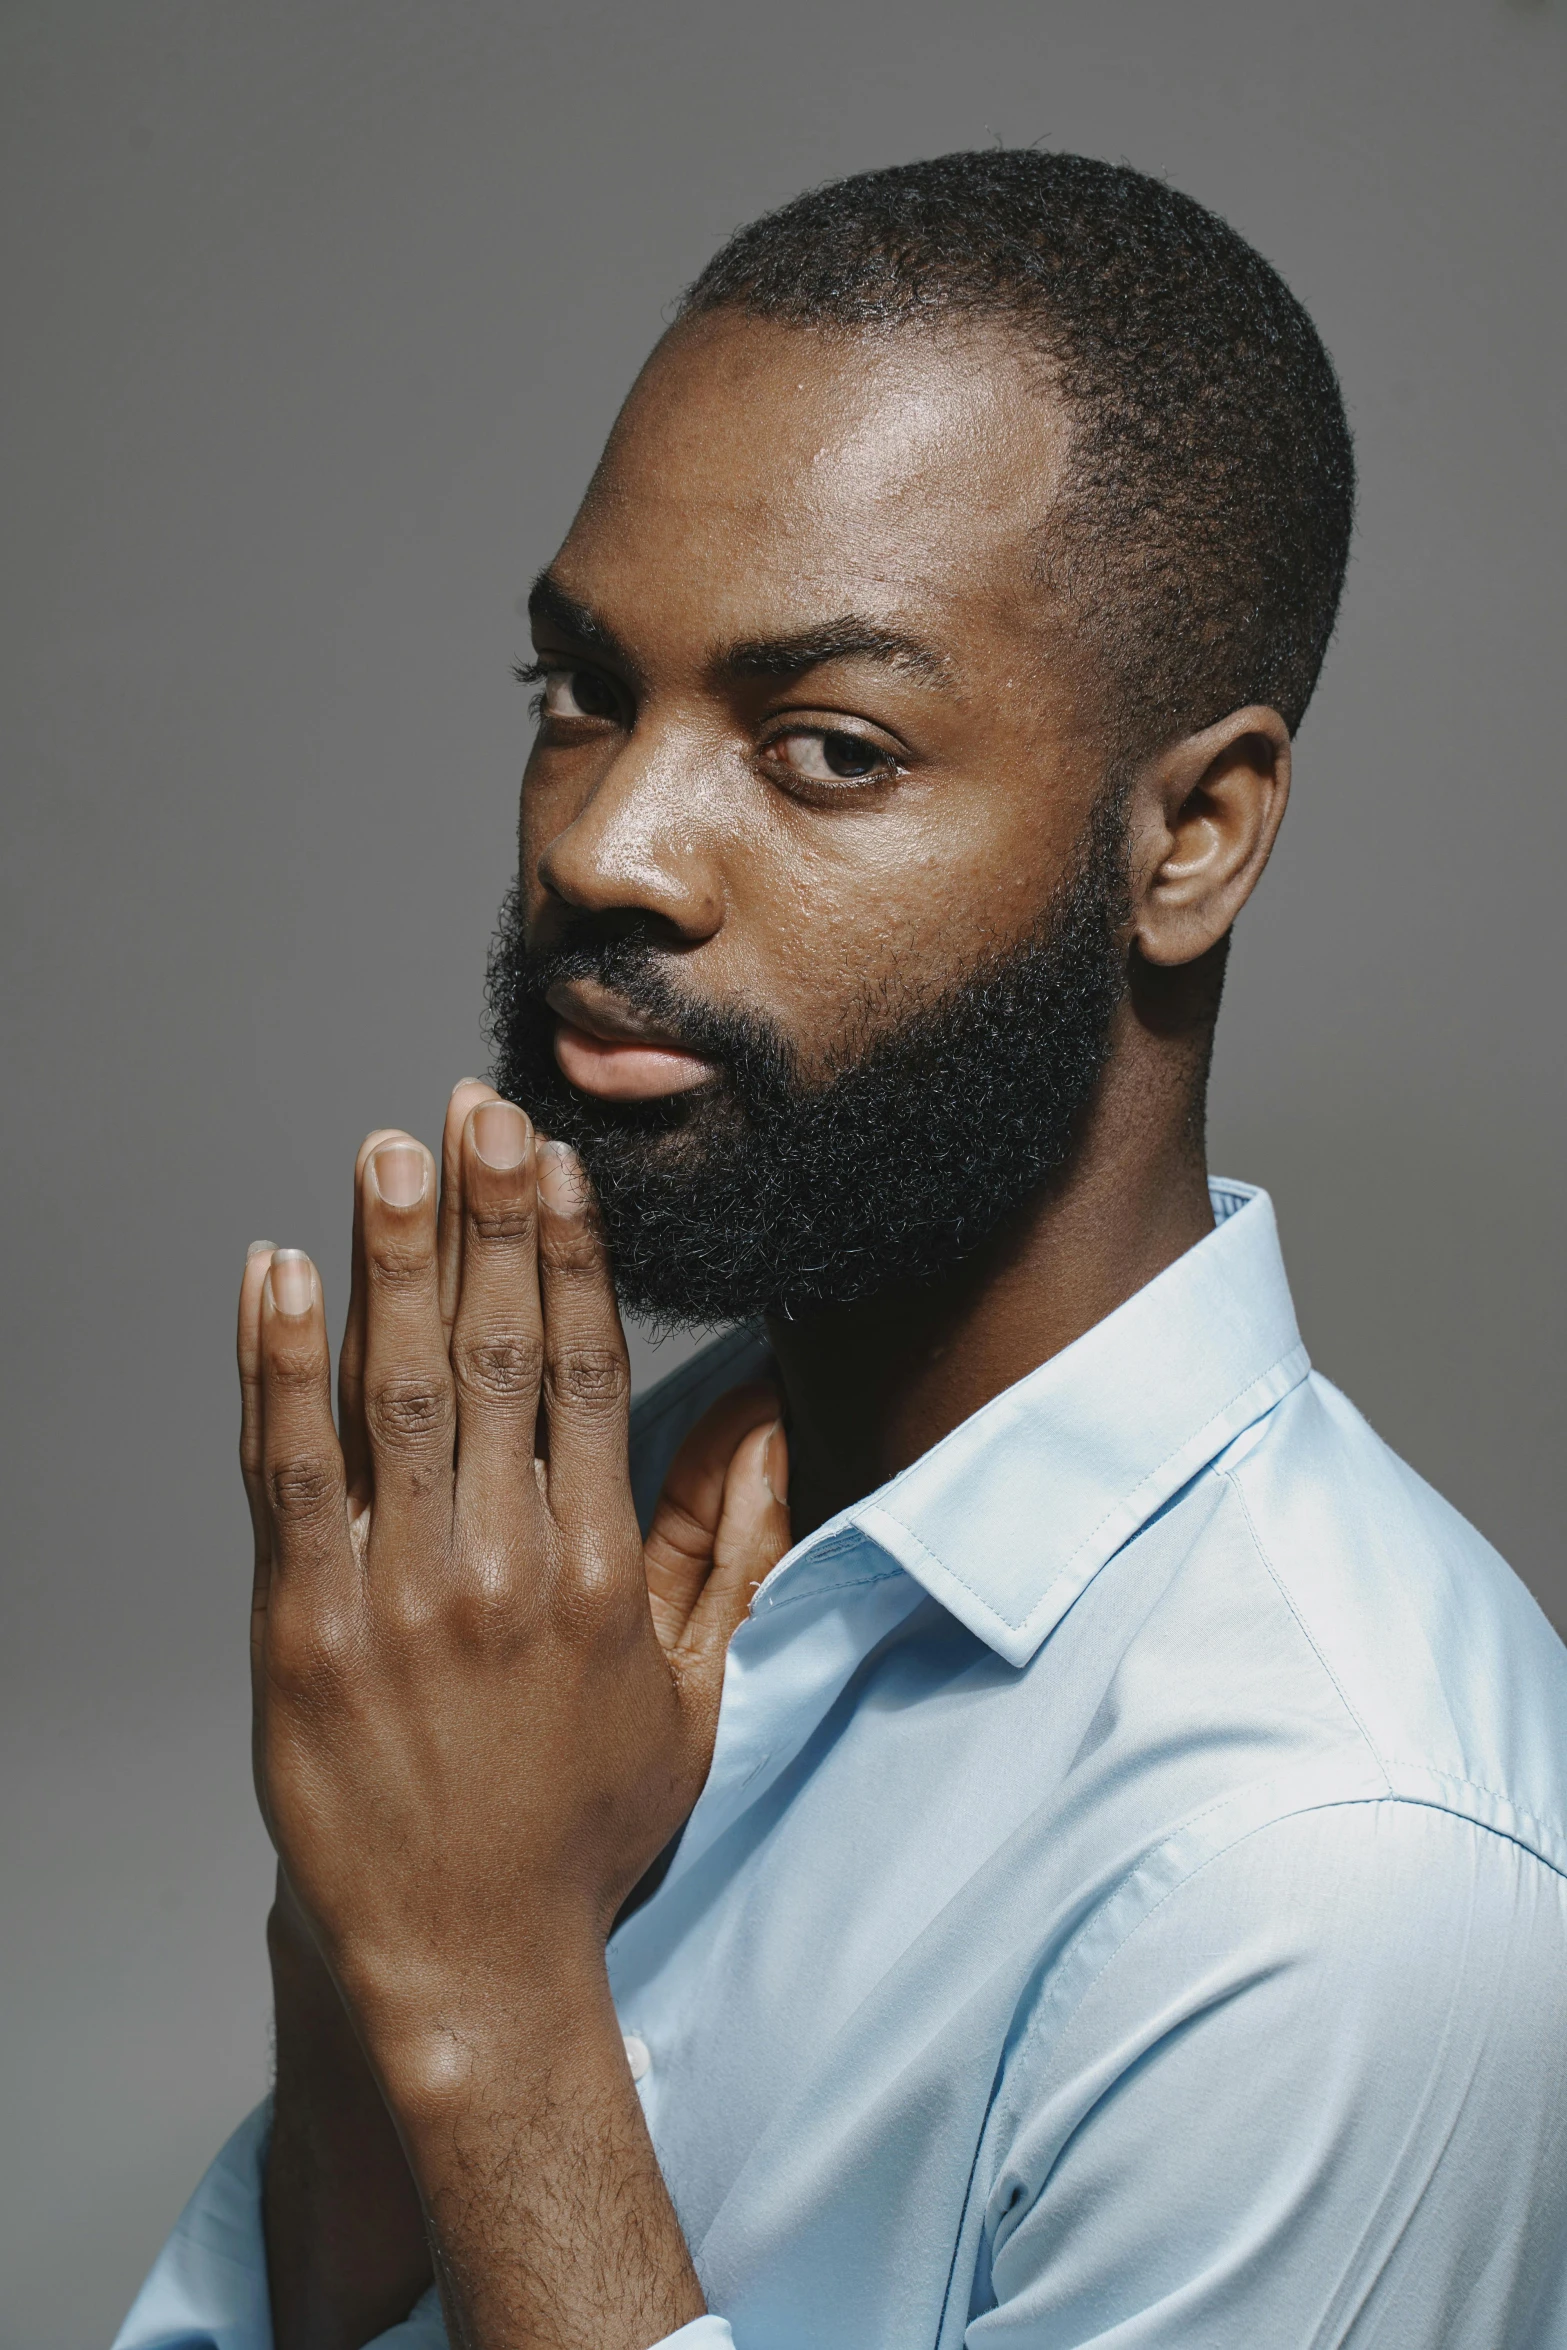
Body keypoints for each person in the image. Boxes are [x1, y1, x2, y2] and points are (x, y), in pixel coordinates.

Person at [116, 152, 1567, 2350]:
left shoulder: (1341, 1873)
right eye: (579, 692)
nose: (605, 843)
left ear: (1190, 837)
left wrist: (494, 1995)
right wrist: (360, 1940)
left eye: (827, 749)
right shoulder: (557, 1561)